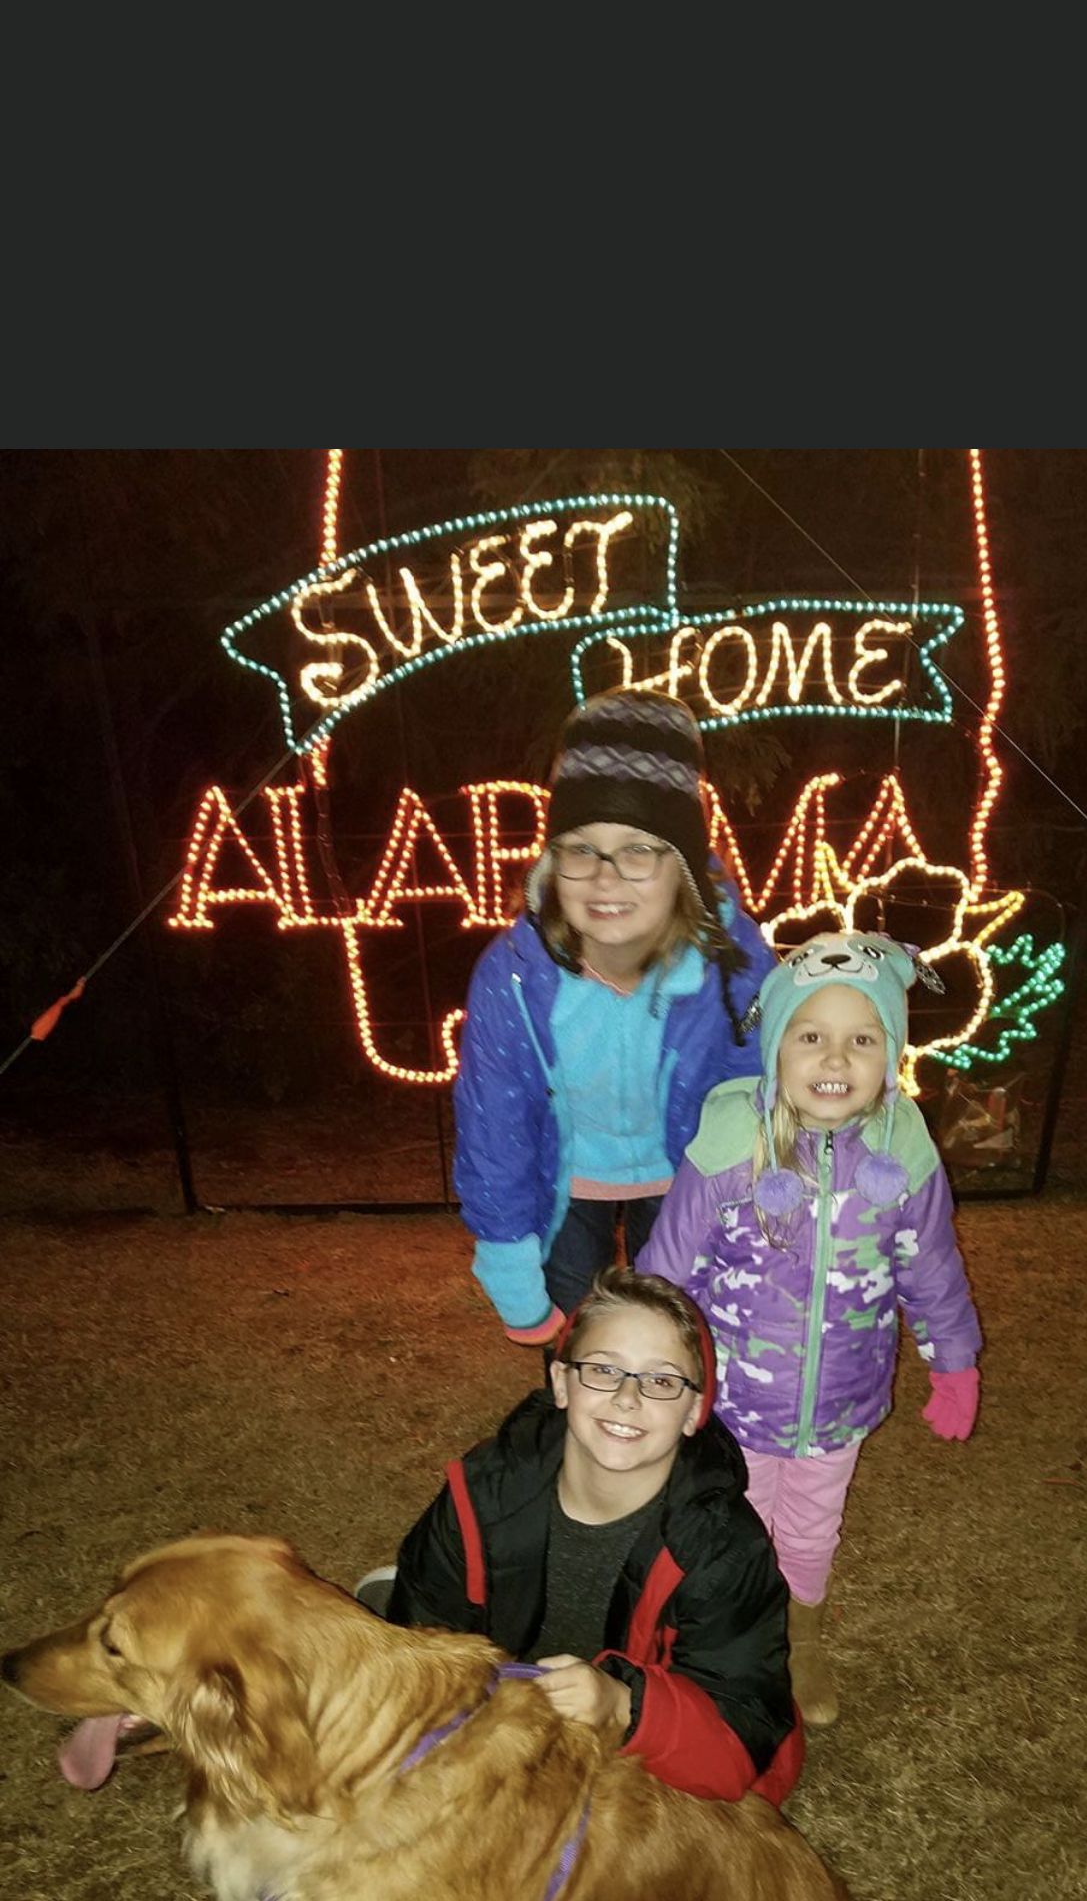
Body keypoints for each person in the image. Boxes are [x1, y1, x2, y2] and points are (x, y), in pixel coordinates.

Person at [638, 931, 983, 1727]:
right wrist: (650, 1371)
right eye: (811, 1036)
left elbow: (931, 1266)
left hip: (841, 1399)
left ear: (891, 1053)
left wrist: (955, 1361)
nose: (835, 1058)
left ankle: (802, 1634)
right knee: (735, 1519)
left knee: (812, 1524)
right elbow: (666, 1272)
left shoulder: (903, 1151)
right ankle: (733, 1635)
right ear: (775, 1049)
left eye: (863, 1039)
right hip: (732, 1402)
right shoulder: (731, 1146)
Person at [358, 1267, 803, 1806]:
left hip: (639, 1738)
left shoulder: (723, 1549)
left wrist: (623, 1704)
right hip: (511, 1703)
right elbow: (423, 1656)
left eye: (662, 1381)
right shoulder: (482, 1496)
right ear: (561, 1383)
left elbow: (739, 1731)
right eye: (603, 1370)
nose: (627, 1397)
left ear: (694, 1411)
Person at [451, 686, 776, 1346]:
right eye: (581, 849)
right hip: (565, 1179)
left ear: (683, 866)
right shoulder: (513, 977)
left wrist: (748, 1212)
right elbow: (495, 1125)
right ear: (551, 861)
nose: (605, 878)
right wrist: (508, 1262)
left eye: (638, 850)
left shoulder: (733, 965)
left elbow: (757, 1089)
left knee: (680, 1328)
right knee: (581, 1336)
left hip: (687, 1176)